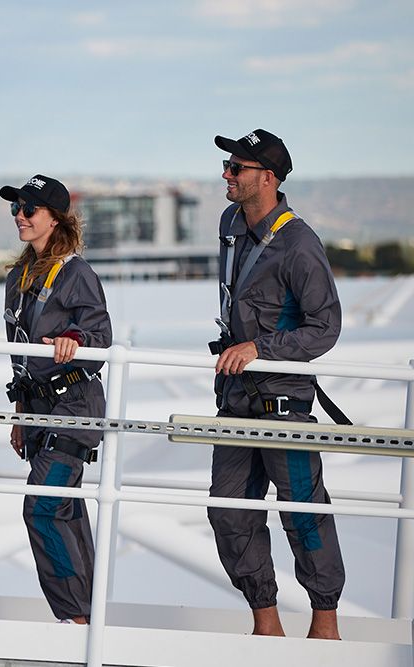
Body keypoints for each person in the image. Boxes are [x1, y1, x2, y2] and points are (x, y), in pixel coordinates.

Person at [208, 129, 345, 639]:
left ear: (266, 178)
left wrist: (259, 349)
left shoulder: (298, 243)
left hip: (284, 402)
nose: (225, 174)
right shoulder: (229, 223)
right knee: (228, 509)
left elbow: (324, 328)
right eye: (226, 165)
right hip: (236, 398)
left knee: (303, 514)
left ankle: (325, 627)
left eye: (235, 168)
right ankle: (266, 624)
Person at [1, 175, 111, 624]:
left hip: (74, 408)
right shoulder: (17, 277)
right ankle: (91, 615)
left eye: (29, 210)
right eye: (16, 209)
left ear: (55, 219)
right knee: (62, 508)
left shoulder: (76, 272)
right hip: (39, 410)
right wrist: (21, 415)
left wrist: (74, 338)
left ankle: (76, 620)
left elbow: (101, 337)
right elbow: (19, 359)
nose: (20, 217)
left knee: (42, 506)